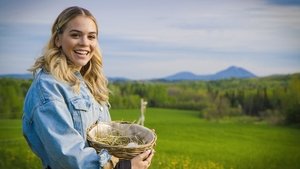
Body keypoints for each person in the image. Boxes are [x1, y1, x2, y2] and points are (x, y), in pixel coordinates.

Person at [22, 6, 154, 169]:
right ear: (58, 39)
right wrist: (124, 166)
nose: (85, 43)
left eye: (91, 37)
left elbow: (103, 139)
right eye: (75, 35)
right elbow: (68, 155)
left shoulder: (88, 81)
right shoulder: (48, 88)